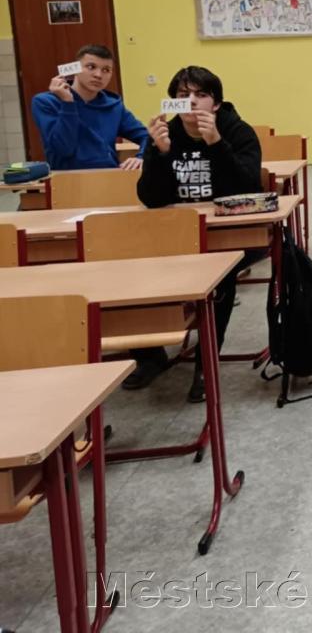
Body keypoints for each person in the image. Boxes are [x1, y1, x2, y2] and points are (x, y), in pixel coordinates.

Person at [131, 66, 262, 403]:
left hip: (230, 235)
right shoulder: (165, 134)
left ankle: (206, 363)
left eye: (201, 95)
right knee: (129, 270)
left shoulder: (238, 132)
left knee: (220, 279)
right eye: (182, 95)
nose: (191, 102)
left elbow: (248, 189)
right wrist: (160, 153)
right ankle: (149, 356)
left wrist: (216, 144)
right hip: (175, 235)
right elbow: (151, 198)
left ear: (215, 104)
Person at [30, 44, 149, 170]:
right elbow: (63, 149)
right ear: (75, 69)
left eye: (106, 70)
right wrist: (68, 103)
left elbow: (147, 136)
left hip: (109, 174)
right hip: (67, 177)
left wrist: (142, 157)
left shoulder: (114, 106)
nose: (98, 75)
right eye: (91, 67)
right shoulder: (45, 102)